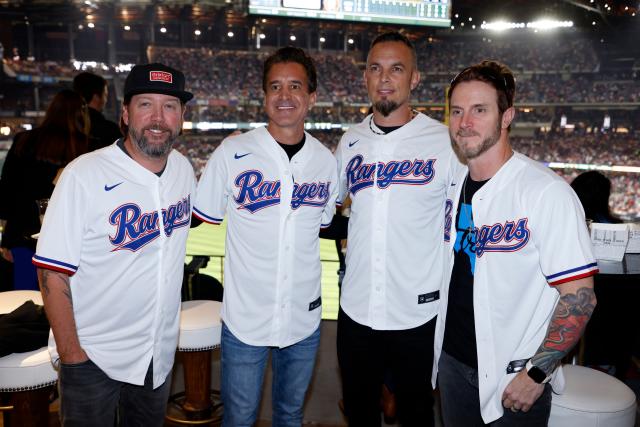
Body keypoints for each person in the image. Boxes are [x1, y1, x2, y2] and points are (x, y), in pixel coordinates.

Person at [433, 60, 599, 426]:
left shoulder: (546, 192)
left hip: (515, 379)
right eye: (457, 111)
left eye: (479, 110)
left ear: (507, 117)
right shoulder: (454, 182)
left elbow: (580, 296)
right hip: (453, 364)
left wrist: (537, 373)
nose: (464, 123)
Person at [32, 63, 195, 426]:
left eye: (169, 106)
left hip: (157, 355)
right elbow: (51, 271)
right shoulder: (83, 175)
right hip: (94, 358)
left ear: (182, 116)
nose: (158, 117)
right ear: (125, 113)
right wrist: (73, 355)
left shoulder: (183, 170)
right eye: (145, 105)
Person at [193, 47, 337, 426]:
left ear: (312, 97)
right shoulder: (233, 151)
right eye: (275, 86)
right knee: (239, 418)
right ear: (264, 96)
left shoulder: (326, 161)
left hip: (303, 317)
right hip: (245, 317)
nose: (284, 96)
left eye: (295, 86)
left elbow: (324, 225)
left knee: (289, 415)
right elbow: (199, 215)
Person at [334, 31, 462, 426]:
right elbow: (330, 210)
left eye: (396, 69)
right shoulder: (350, 141)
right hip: (356, 308)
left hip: (417, 313)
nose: (384, 78)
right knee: (359, 414)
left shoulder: (446, 142)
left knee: (417, 415)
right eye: (375, 68)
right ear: (366, 77)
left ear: (415, 79)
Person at [0, 89, 89, 291]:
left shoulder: (23, 140)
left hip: (23, 237)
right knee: (65, 308)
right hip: (71, 244)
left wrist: (8, 240)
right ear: (81, 114)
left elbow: (6, 193)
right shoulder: (88, 147)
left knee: (25, 308)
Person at [73, 71, 122, 151]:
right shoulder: (109, 130)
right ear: (96, 97)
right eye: (105, 95)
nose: (106, 100)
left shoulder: (66, 124)